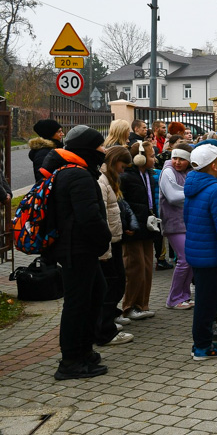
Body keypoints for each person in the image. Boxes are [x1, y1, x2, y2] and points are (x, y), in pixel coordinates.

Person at [43, 125, 113, 380]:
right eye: (99, 146)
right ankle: (71, 360)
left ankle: (84, 352)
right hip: (77, 249)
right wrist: (104, 238)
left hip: (79, 248)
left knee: (96, 293)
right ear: (87, 149)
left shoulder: (76, 171)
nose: (103, 151)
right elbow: (88, 217)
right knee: (77, 304)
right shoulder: (78, 176)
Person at [183, 143, 217, 360]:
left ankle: (203, 340)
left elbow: (187, 219)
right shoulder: (216, 190)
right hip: (211, 254)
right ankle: (202, 347)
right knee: (207, 303)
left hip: (197, 251)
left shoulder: (193, 185)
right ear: (213, 166)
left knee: (205, 301)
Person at [94, 146, 135, 348]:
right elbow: (101, 214)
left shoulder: (110, 180)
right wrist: (105, 247)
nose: (123, 170)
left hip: (115, 239)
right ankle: (104, 329)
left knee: (118, 282)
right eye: (122, 166)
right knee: (112, 285)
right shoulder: (101, 181)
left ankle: (107, 322)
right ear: (114, 162)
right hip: (108, 243)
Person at [120, 141, 159, 321]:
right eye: (151, 156)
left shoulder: (149, 176)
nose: (154, 159)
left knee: (146, 267)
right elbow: (122, 204)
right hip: (133, 228)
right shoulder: (127, 177)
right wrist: (128, 224)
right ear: (139, 158)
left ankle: (142, 304)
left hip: (148, 225)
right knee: (134, 268)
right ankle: (128, 306)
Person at [160, 143, 194, 309]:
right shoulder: (168, 172)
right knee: (184, 259)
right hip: (173, 222)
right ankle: (173, 298)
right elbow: (173, 197)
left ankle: (184, 295)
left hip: (187, 221)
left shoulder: (189, 173)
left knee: (191, 260)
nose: (177, 162)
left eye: (182, 159)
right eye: (175, 158)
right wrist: (195, 192)